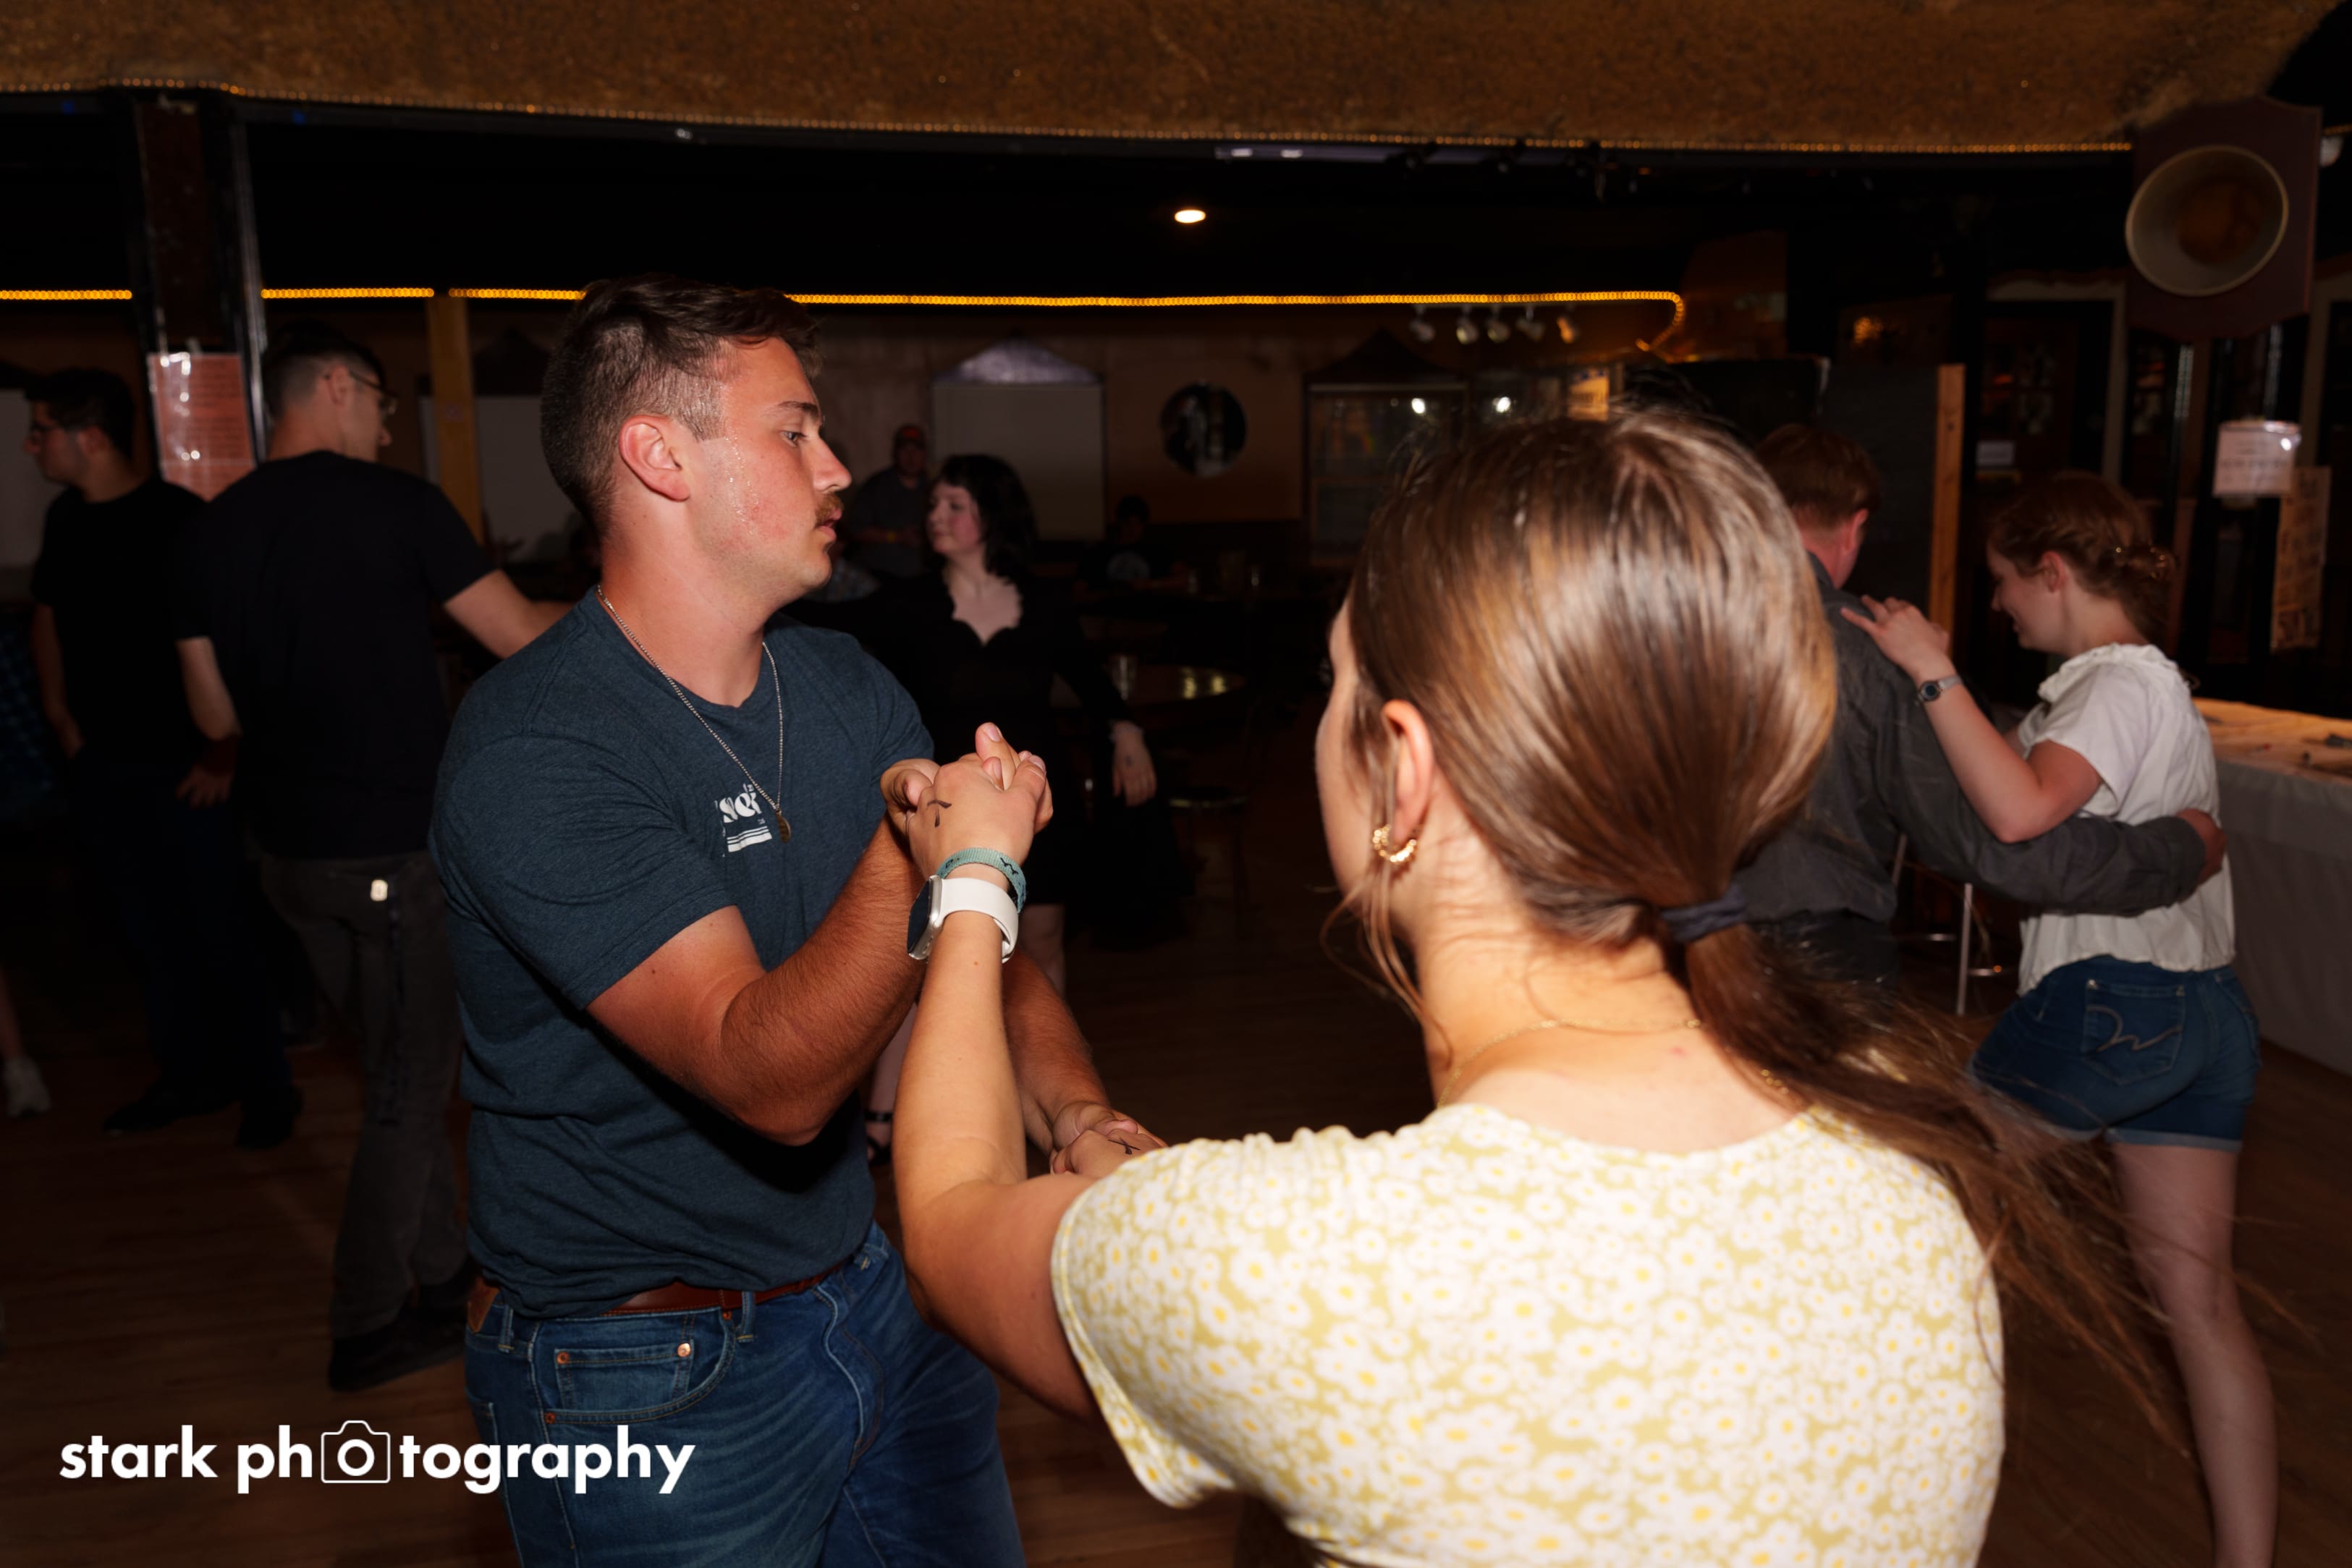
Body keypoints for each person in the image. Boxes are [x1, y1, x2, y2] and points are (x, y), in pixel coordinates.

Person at [885, 413, 2165, 1568]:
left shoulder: (1300, 1264)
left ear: (1404, 773)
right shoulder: (1920, 1198)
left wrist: (975, 872)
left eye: (1340, 686)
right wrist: (1131, 1189)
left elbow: (947, 1226)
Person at [431, 274, 1156, 1567]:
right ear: (659, 458)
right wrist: (924, 852)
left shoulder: (840, 679)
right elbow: (766, 1077)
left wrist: (1077, 1111)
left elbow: (972, 958)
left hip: (869, 1285)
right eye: (795, 430)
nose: (836, 468)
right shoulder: (534, 745)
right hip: (639, 1363)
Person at [1845, 471, 2272, 1568]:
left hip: (2118, 1005)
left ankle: (1887, 1513)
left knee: (1919, 1205)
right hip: (2204, 1014)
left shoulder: (2115, 682)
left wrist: (1930, 669)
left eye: (2002, 582)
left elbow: (2020, 813)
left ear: (2051, 573)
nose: (1996, 606)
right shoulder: (2141, 684)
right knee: (2199, 1305)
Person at [172, 321, 567, 1391]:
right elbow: (518, 636)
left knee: (397, 1070)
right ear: (340, 388)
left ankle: (442, 1277)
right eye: (386, 405)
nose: (390, 427)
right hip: (389, 850)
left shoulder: (209, 530)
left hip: (288, 860)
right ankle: (365, 1323)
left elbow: (214, 716)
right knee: (409, 1087)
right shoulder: (398, 505)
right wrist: (634, 611)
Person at [1737, 425, 2220, 986]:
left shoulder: (1670, 613)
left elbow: (1993, 773)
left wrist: (1940, 687)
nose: (1995, 602)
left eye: (1999, 581)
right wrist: (2176, 854)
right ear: (1854, 527)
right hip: (1815, 959)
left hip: (1674, 944)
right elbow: (1984, 834)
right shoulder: (1858, 645)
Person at [25, 368, 291, 1141]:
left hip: (189, 771)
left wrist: (223, 754)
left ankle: (268, 1090)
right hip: (103, 765)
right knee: (148, 934)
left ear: (90, 437)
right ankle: (189, 1077)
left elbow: (238, 641)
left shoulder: (179, 521)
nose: (31, 445)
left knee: (222, 930)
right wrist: (61, 719)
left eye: (41, 429)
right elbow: (47, 617)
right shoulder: (64, 520)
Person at [867, 453, 1157, 994]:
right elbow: (854, 678)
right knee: (950, 950)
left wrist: (1126, 730)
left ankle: (1043, 1053)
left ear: (994, 514)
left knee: (1043, 941)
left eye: (955, 505)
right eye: (934, 504)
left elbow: (1092, 681)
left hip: (1036, 797)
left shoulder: (1044, 600)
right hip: (948, 804)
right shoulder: (905, 605)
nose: (935, 515)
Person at [840, 421, 931, 580]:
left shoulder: (932, 487)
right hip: (880, 576)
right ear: (895, 453)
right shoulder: (876, 486)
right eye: (905, 450)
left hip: (922, 575)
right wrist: (896, 536)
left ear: (924, 454)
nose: (911, 457)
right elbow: (855, 529)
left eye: (916, 450)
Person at [1079, 494, 1188, 594]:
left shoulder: (1155, 550)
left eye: (1137, 523)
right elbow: (1080, 588)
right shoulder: (1100, 552)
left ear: (1144, 525)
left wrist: (1150, 584)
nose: (1132, 528)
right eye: (1127, 523)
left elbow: (1184, 578)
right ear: (1119, 523)